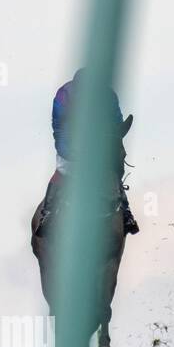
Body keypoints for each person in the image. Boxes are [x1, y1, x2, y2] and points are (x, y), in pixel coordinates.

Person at [36, 69, 139, 237]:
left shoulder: (109, 95)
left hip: (100, 141)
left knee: (112, 170)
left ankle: (126, 213)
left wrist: (113, 141)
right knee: (63, 170)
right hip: (70, 141)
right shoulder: (64, 96)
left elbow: (116, 121)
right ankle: (47, 214)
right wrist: (70, 152)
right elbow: (60, 129)